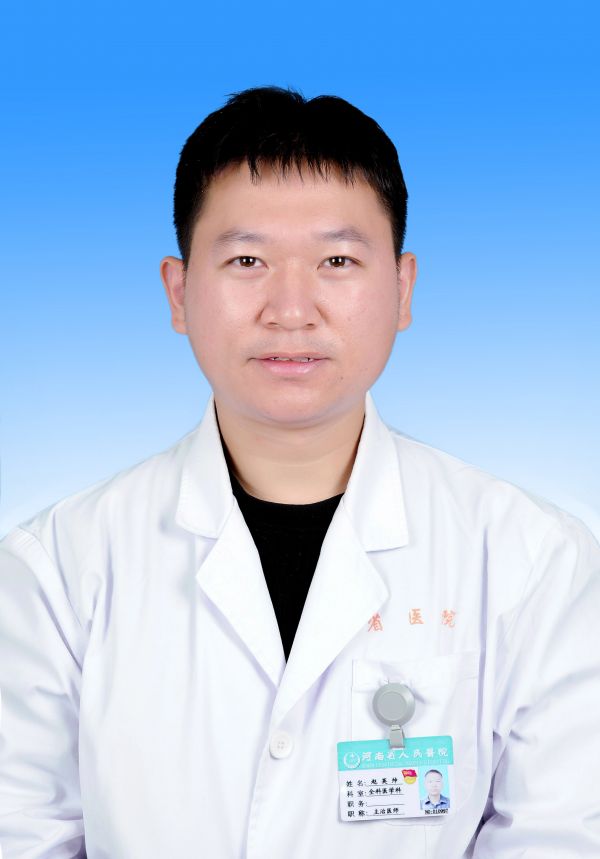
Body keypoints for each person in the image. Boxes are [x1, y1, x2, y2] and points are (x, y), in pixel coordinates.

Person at [0, 86, 599, 859]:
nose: (290, 308)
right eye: (247, 260)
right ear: (178, 292)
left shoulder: (533, 561)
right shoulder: (55, 570)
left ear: (403, 289)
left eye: (337, 261)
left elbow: (559, 836)